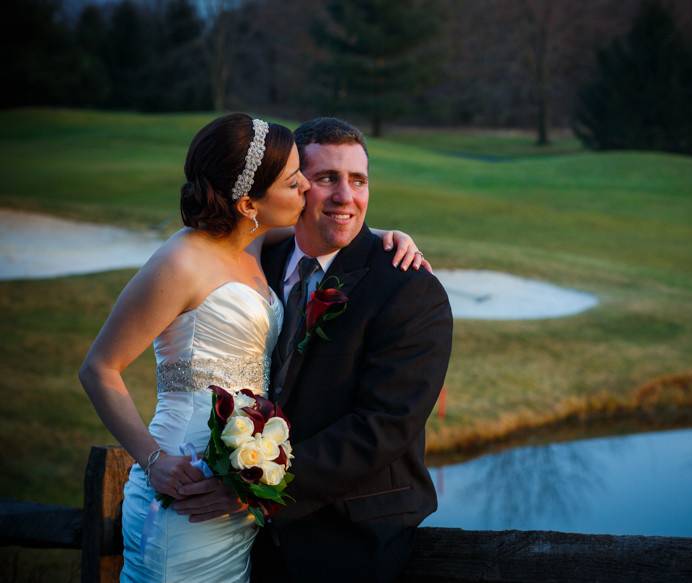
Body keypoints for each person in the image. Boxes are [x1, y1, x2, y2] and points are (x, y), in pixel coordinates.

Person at [78, 113, 428, 582]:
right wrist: (154, 461)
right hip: (183, 481)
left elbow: (338, 229)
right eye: (294, 181)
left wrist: (387, 237)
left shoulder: (256, 244)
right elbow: (99, 368)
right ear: (249, 204)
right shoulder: (181, 262)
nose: (306, 188)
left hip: (241, 487)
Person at [245, 117, 453, 582]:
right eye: (327, 179)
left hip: (352, 541)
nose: (346, 196)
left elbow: (382, 427)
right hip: (247, 542)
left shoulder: (408, 288)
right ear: (296, 187)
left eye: (358, 180)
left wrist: (256, 486)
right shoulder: (261, 261)